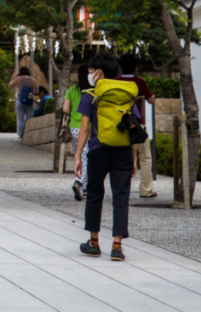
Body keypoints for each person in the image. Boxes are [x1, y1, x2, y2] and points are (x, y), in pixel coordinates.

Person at [74, 53, 138, 261]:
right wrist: (134, 159)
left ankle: (93, 243)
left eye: (91, 71)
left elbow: (84, 128)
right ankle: (117, 246)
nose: (90, 75)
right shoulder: (126, 94)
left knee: (94, 193)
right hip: (123, 152)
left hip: (98, 150)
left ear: (99, 73)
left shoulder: (90, 95)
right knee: (120, 196)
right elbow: (133, 127)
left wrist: (77, 157)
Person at [118, 53, 158, 199]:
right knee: (146, 157)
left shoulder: (116, 81)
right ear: (135, 67)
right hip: (137, 124)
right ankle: (145, 190)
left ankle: (122, 189)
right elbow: (151, 100)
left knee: (120, 157)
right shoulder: (139, 82)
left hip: (120, 125)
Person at [63, 63, 90, 200]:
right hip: (87, 128)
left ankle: (85, 188)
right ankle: (79, 183)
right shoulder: (92, 91)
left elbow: (65, 109)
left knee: (78, 156)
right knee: (86, 157)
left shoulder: (71, 90)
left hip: (74, 127)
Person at [9, 65, 35, 138]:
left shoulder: (18, 79)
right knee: (30, 119)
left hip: (20, 100)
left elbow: (10, 85)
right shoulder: (33, 80)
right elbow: (36, 91)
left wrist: (15, 77)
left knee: (20, 119)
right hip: (30, 101)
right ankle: (30, 135)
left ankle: (20, 135)